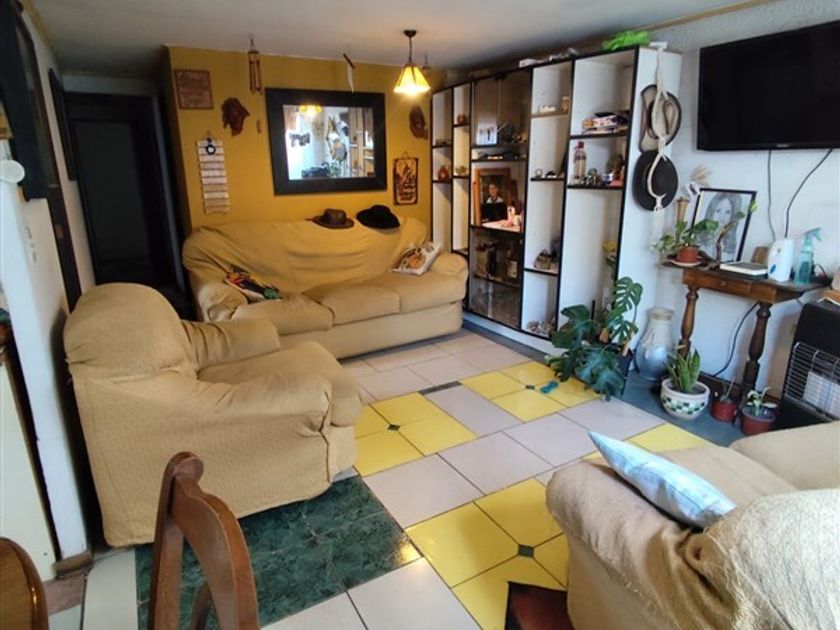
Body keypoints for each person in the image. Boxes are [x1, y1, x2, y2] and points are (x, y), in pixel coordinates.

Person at [698, 192, 741, 259]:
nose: (722, 217)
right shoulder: (700, 238)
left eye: (728, 212)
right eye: (718, 211)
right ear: (711, 212)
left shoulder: (729, 244)